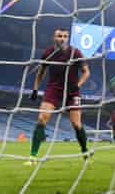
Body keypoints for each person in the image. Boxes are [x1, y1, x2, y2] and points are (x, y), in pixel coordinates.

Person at [25, 28, 90, 164]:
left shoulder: (75, 52)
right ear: (54, 38)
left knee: (76, 124)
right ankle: (32, 156)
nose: (63, 38)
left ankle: (85, 151)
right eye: (60, 36)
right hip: (54, 89)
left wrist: (77, 85)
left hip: (72, 91)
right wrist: (35, 89)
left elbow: (86, 72)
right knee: (42, 118)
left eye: (65, 36)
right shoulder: (48, 53)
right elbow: (41, 72)